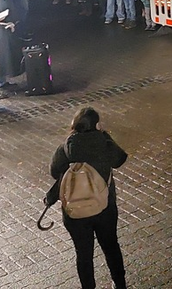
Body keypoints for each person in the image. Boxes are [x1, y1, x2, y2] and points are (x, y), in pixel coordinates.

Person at [50, 107, 128, 289]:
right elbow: (120, 159)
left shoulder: (66, 145)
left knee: (83, 254)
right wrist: (106, 136)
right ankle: (120, 284)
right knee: (110, 246)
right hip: (105, 206)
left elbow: (54, 172)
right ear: (96, 124)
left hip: (75, 211)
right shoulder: (103, 142)